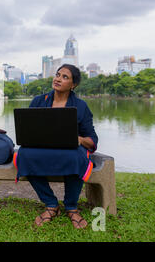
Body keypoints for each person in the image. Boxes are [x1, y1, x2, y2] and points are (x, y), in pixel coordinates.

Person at [17, 64, 98, 229]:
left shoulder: (81, 106)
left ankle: (71, 207)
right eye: (57, 74)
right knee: (23, 155)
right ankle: (51, 204)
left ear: (73, 85)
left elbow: (92, 140)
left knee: (77, 157)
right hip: (42, 148)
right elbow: (28, 129)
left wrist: (80, 140)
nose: (58, 79)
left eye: (65, 77)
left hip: (70, 149)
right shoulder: (39, 101)